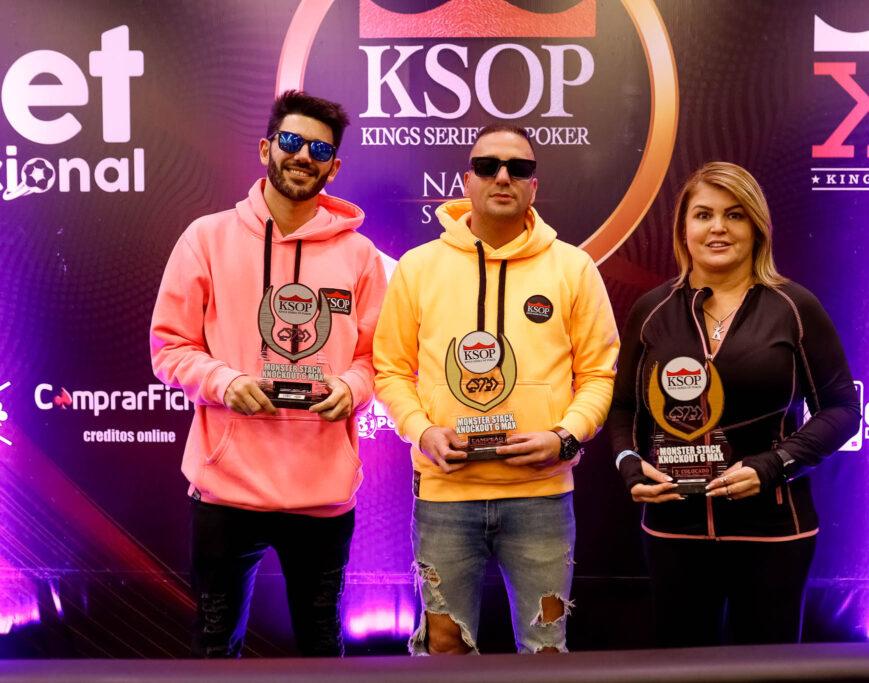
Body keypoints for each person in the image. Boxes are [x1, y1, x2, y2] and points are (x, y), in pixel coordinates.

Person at [150, 90, 386, 657]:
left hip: (323, 493)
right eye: (291, 141)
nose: (303, 155)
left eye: (319, 149)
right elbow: (169, 348)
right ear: (265, 149)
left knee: (321, 646)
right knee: (215, 647)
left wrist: (352, 388)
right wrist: (226, 383)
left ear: (333, 166)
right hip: (226, 491)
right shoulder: (206, 238)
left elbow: (380, 360)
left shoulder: (361, 256)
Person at [373, 124, 619, 654]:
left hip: (540, 495)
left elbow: (600, 375)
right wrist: (422, 432)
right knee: (444, 645)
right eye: (488, 166)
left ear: (533, 185)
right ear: (468, 180)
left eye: (518, 168)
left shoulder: (573, 267)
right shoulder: (418, 267)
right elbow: (390, 370)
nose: (502, 177)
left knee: (546, 648)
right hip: (445, 492)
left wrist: (564, 438)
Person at [607, 161, 860, 647]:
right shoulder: (652, 310)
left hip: (773, 529)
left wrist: (773, 465)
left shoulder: (794, 306)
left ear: (757, 227)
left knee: (765, 673)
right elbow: (623, 409)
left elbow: (842, 409)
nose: (718, 227)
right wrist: (629, 465)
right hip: (674, 528)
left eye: (735, 214)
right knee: (679, 670)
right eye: (704, 215)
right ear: (684, 229)